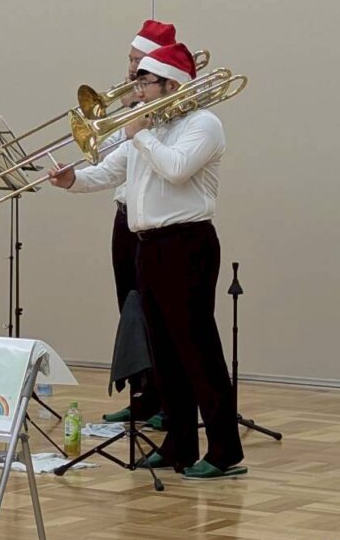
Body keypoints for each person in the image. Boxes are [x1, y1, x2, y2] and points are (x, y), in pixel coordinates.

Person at [49, 43, 245, 480]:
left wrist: (140, 133)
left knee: (197, 348)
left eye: (144, 83)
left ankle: (224, 450)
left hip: (187, 244)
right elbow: (111, 171)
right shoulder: (149, 127)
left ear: (171, 85)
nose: (135, 90)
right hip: (149, 246)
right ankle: (179, 442)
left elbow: (176, 168)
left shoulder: (203, 124)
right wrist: (72, 179)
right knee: (163, 350)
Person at [102, 20, 175, 429]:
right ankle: (141, 396)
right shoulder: (131, 104)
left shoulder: (173, 112)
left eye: (138, 61)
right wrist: (124, 114)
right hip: (125, 216)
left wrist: (140, 118)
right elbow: (108, 156)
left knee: (157, 315)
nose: (131, 68)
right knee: (129, 308)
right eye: (130, 59)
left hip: (157, 223)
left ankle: (169, 401)